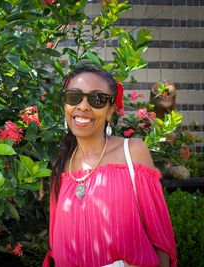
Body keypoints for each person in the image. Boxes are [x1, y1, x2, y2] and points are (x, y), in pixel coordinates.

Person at [42, 63, 177, 267]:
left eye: (97, 99)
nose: (83, 106)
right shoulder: (62, 165)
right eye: (74, 97)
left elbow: (160, 238)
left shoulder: (132, 152)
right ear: (65, 105)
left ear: (110, 110)